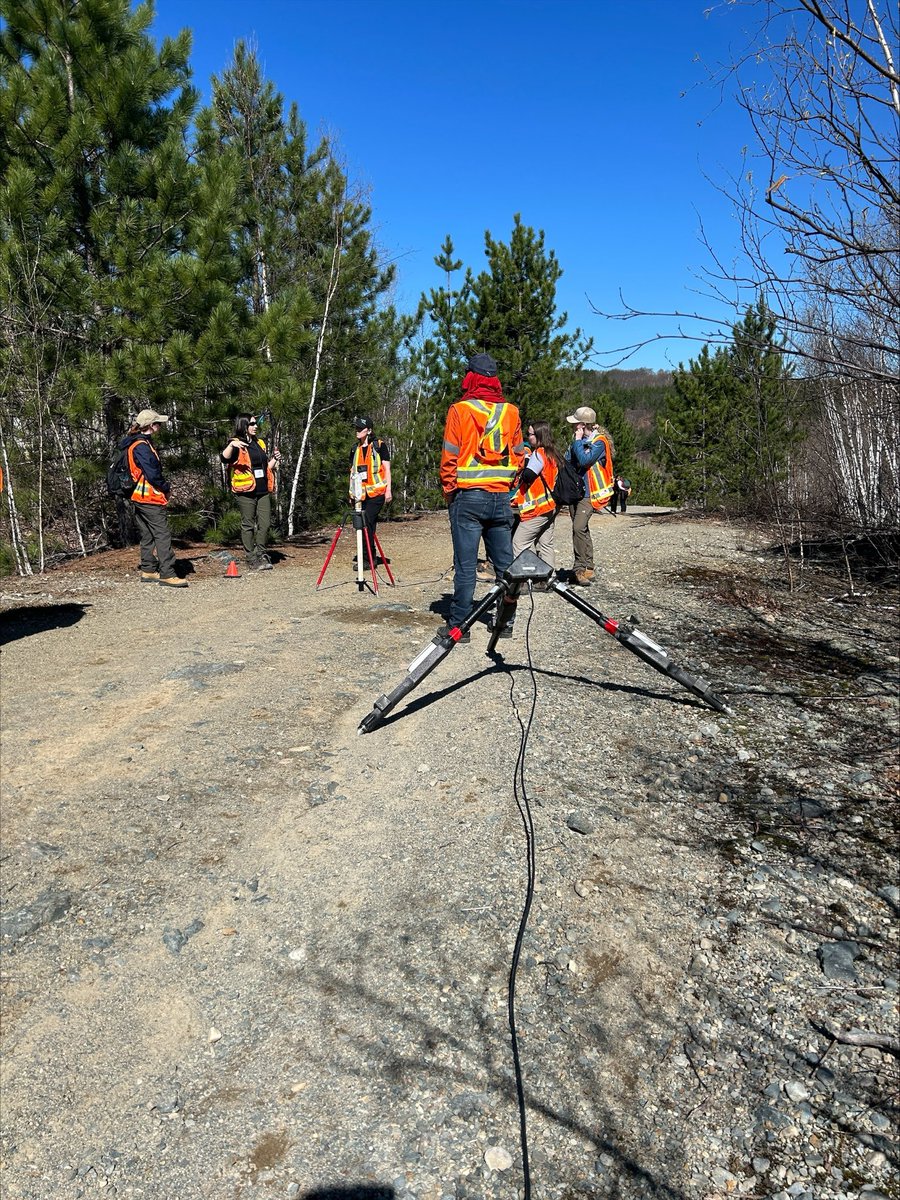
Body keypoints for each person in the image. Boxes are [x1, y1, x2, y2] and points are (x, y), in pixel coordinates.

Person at [439, 352, 526, 639]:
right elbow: (518, 454)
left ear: (471, 377)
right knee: (505, 566)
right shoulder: (511, 412)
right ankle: (504, 623)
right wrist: (508, 486)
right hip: (500, 498)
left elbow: (449, 456)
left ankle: (459, 626)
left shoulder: (460, 410)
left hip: (468, 497)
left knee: (466, 565)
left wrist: (450, 491)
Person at [122, 409, 186, 588]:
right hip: (148, 497)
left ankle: (149, 570)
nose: (160, 426)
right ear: (151, 426)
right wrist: (166, 487)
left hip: (137, 496)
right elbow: (153, 474)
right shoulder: (142, 446)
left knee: (147, 534)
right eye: (158, 423)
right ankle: (167, 573)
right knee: (162, 534)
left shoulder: (134, 443)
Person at [221, 414, 281, 569]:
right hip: (245, 491)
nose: (256, 426)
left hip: (262, 490)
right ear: (244, 425)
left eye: (256, 423)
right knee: (248, 524)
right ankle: (251, 558)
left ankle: (261, 553)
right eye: (252, 424)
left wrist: (275, 459)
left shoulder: (259, 443)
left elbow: (266, 467)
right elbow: (224, 458)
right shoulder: (236, 443)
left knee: (265, 523)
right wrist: (231, 446)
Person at [564, 405, 614, 586]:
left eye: (575, 424)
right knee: (581, 529)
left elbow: (585, 460)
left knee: (578, 528)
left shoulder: (600, 442)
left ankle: (579, 568)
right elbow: (568, 461)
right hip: (576, 491)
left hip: (589, 493)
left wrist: (577, 441)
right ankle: (589, 567)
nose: (572, 427)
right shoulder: (577, 441)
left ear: (582, 425)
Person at [511, 419, 562, 578]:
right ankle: (548, 579)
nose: (528, 437)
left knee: (520, 542)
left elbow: (528, 475)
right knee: (545, 543)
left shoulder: (539, 454)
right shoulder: (553, 453)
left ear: (539, 435)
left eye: (530, 434)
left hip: (538, 508)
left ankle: (528, 577)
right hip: (550, 505)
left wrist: (526, 460)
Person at [349, 416, 391, 570]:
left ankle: (368, 558)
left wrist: (389, 491)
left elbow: (387, 469)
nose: (357, 431)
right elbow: (352, 472)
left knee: (367, 521)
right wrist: (351, 494)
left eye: (361, 428)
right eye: (357, 428)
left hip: (377, 493)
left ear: (369, 431)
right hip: (360, 495)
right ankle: (366, 557)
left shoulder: (379, 446)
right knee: (362, 524)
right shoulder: (355, 449)